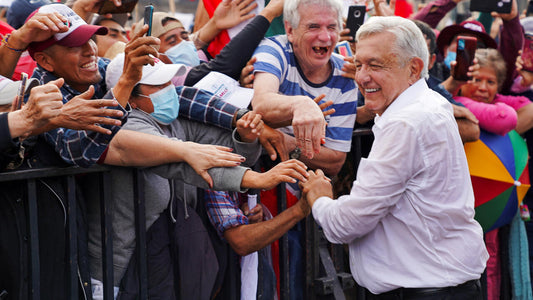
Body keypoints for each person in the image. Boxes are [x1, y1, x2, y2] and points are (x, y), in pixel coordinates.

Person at [86, 51, 310, 299]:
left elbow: (222, 150)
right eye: (158, 85)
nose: (169, 90)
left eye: (169, 83)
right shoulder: (127, 124)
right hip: (119, 268)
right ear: (131, 97)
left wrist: (245, 137)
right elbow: (184, 163)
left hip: (163, 260)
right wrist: (255, 179)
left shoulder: (172, 121)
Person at [300, 16, 488, 299]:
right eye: (359, 64)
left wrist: (319, 198)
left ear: (414, 68)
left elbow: (346, 224)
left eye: (375, 65)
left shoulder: (406, 122)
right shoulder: (428, 103)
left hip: (427, 290)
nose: (362, 77)